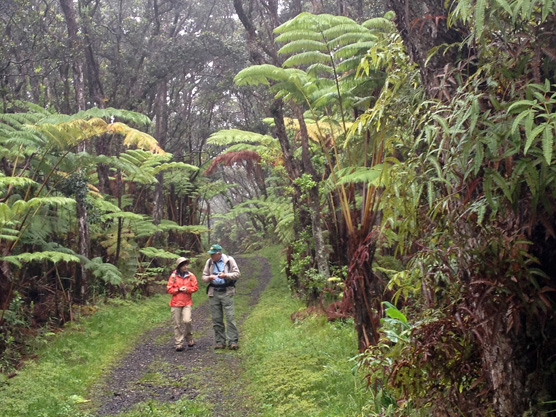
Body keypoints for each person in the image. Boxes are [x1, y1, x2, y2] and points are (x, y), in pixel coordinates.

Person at [202, 244, 241, 350]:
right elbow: (204, 277)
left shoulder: (229, 260)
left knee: (230, 317)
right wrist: (209, 277)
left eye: (213, 254)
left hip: (227, 291)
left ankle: (233, 341)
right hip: (213, 292)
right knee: (216, 318)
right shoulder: (209, 262)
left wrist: (226, 275)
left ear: (219, 254)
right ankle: (220, 342)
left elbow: (237, 274)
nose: (211, 256)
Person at [167, 257, 198, 351]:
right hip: (175, 303)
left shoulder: (191, 275)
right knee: (176, 323)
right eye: (183, 265)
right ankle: (179, 343)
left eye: (186, 265)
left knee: (187, 320)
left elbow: (195, 287)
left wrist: (187, 289)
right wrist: (178, 289)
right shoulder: (173, 276)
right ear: (179, 266)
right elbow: (169, 289)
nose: (185, 267)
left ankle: (189, 337)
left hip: (187, 302)